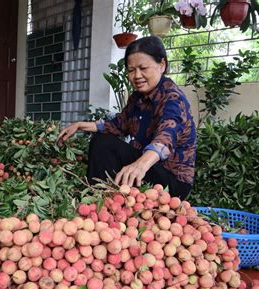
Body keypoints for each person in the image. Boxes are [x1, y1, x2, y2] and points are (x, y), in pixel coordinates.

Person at [58, 36, 196, 199]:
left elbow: (166, 137)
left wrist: (140, 164)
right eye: (131, 70)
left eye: (143, 68)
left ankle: (98, 199)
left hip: (171, 182)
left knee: (104, 144)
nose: (137, 75)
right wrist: (81, 125)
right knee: (102, 139)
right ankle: (103, 200)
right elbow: (118, 124)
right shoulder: (137, 98)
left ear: (162, 65)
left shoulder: (173, 98)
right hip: (148, 169)